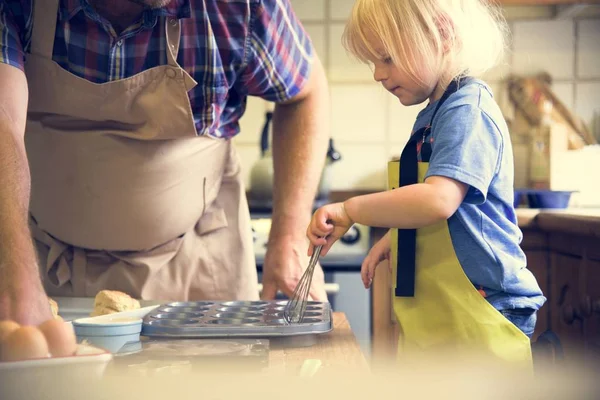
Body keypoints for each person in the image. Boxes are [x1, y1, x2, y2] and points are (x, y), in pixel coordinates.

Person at [0, 0, 329, 327]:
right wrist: (17, 278)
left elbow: (305, 94)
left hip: (198, 266)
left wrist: (288, 239)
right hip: (41, 262)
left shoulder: (241, 6)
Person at [306, 0, 546, 367]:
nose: (378, 74)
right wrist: (395, 238)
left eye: (387, 57)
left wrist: (351, 209)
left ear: (442, 34)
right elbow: (455, 214)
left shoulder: (468, 111)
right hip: (452, 312)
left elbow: (439, 199)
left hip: (486, 310)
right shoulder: (439, 112)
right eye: (373, 62)